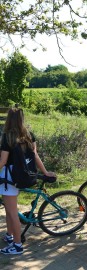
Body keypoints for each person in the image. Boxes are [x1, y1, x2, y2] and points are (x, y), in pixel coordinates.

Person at [0, 108, 56, 255]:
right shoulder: (29, 135)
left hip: (9, 178)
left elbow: (3, 161)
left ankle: (17, 246)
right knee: (9, 209)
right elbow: (35, 156)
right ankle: (9, 235)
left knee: (12, 212)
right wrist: (44, 172)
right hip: (23, 175)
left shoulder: (7, 137)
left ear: (8, 119)